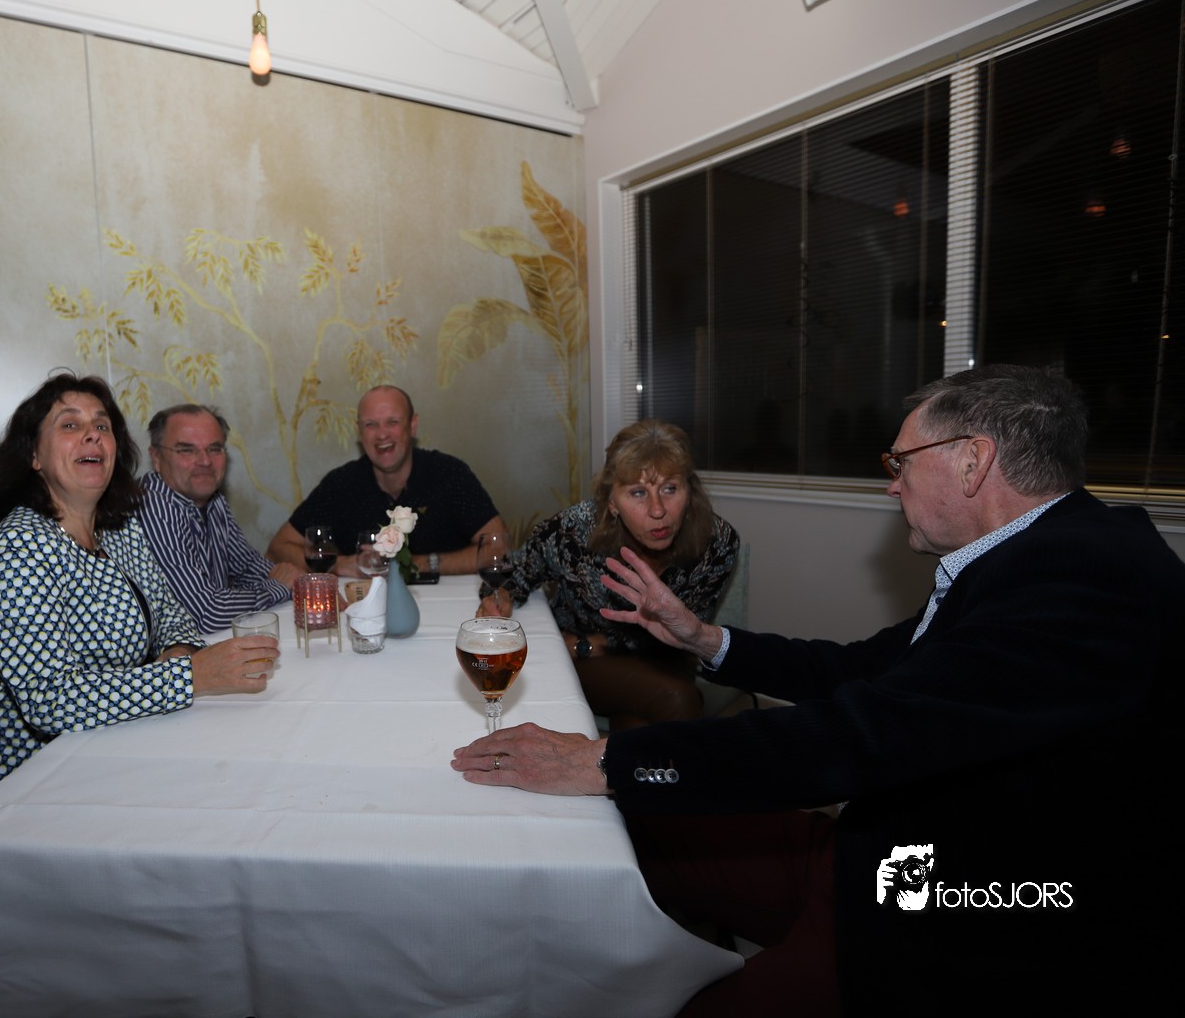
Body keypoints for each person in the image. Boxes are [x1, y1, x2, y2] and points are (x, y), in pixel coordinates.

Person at [451, 365, 1181, 1016]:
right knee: (624, 832)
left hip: (950, 914)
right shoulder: (1031, 557)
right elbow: (860, 668)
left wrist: (604, 759)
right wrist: (701, 638)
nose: (891, 483)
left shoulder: (1087, 587)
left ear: (972, 461)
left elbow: (856, 735)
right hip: (876, 852)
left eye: (900, 461)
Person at [0, 374, 277, 827]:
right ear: (33, 456)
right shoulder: (16, 552)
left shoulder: (119, 529)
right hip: (4, 798)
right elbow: (51, 700)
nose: (92, 434)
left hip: (100, 759)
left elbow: (170, 613)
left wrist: (178, 652)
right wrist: (189, 676)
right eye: (70, 425)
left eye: (102, 425)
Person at [476, 420, 739, 728]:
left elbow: (686, 633)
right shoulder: (571, 532)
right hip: (591, 666)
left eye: (670, 488)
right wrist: (500, 596)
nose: (658, 510)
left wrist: (588, 644)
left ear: (689, 490)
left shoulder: (716, 543)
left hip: (660, 658)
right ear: (612, 502)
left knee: (639, 726)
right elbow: (511, 574)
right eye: (638, 493)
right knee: (677, 699)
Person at [266, 385, 509, 577]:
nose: (382, 434)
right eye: (371, 425)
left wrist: (417, 564)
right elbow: (278, 548)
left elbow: (499, 549)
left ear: (412, 426)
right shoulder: (341, 484)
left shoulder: (449, 474)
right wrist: (338, 565)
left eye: (393, 422)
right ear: (359, 432)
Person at [139, 403, 303, 633]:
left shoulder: (211, 499)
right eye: (187, 450)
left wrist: (294, 581)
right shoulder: (153, 507)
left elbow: (247, 567)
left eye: (215, 448)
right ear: (156, 457)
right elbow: (208, 614)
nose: (205, 461)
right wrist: (278, 587)